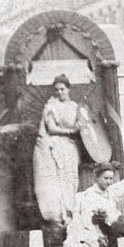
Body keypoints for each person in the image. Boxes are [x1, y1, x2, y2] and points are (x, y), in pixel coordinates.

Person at [33, 75, 85, 230]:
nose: (59, 92)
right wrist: (71, 130)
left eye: (62, 89)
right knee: (58, 180)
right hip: (55, 145)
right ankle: (60, 216)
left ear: (68, 89)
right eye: (56, 90)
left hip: (70, 147)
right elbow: (51, 128)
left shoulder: (75, 106)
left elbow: (81, 123)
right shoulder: (50, 106)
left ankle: (71, 214)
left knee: (70, 179)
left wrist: (80, 126)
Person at [65, 165, 119, 247]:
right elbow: (81, 221)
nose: (109, 181)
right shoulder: (85, 196)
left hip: (109, 237)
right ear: (97, 178)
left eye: (111, 178)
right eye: (106, 178)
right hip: (90, 237)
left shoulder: (111, 197)